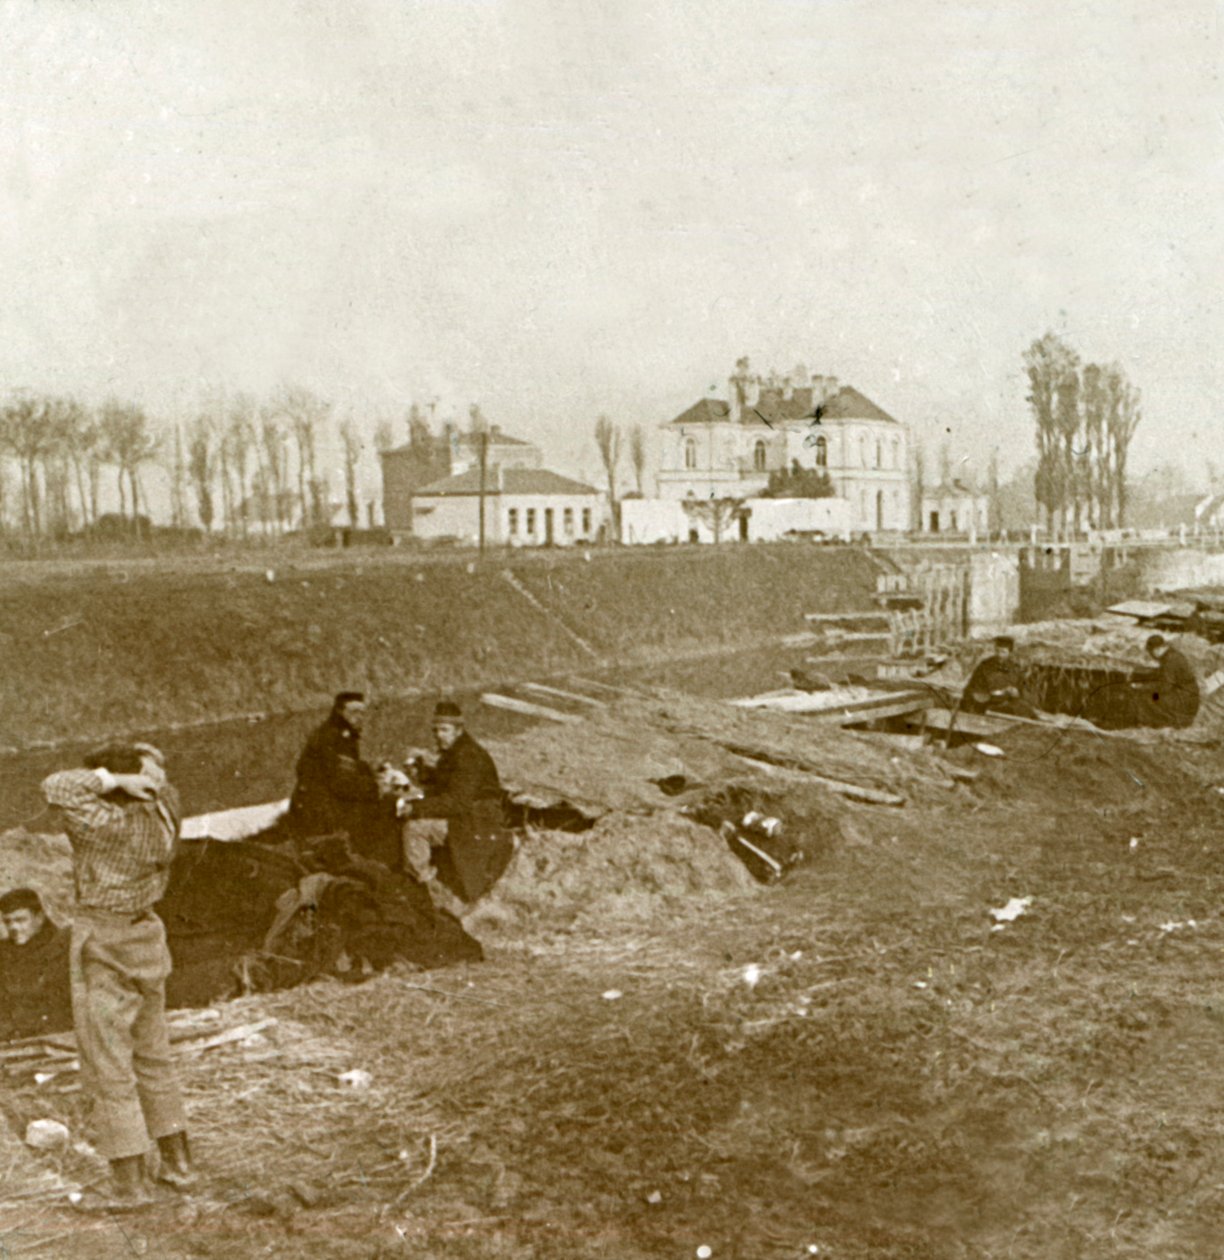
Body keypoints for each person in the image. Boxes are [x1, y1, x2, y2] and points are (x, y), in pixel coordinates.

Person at [40, 742, 193, 1206]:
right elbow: (158, 778)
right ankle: (179, 1163)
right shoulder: (166, 807)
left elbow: (55, 786)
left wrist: (113, 780)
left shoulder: (105, 823)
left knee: (108, 1062)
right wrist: (143, 771)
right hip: (146, 931)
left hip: (103, 938)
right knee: (153, 1053)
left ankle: (130, 1183)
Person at [405, 701, 514, 904]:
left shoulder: (468, 756)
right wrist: (423, 774)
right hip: (471, 814)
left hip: (477, 821)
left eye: (445, 730)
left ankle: (428, 888)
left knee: (414, 828)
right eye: (436, 730)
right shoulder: (457, 750)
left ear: (458, 730)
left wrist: (414, 807)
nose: (439, 735)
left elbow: (456, 803)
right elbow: (448, 782)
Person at [287, 691, 401, 867]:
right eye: (354, 712)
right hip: (320, 810)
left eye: (362, 712)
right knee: (387, 805)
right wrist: (377, 788)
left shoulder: (335, 732)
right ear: (340, 711)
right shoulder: (333, 737)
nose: (359, 717)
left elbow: (343, 768)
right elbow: (342, 783)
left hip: (315, 802)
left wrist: (368, 768)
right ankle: (378, 860)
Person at [0, 888, 72, 1041]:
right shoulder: (4, 952)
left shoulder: (62, 947)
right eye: (7, 921)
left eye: (20, 920)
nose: (13, 927)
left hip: (55, 1037)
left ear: (39, 918)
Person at [1131, 634, 1200, 729]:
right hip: (1187, 695)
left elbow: (1165, 686)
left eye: (1151, 652)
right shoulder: (1172, 654)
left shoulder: (1170, 660)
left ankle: (1168, 721)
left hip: (1183, 699)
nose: (1152, 656)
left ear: (1157, 649)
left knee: (1149, 697)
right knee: (1151, 695)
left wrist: (1143, 687)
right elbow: (1164, 676)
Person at [961, 635, 1037, 718]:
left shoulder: (1015, 669)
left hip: (1009, 705)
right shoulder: (985, 666)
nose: (999, 655)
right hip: (986, 705)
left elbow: (1024, 689)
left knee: (1023, 709)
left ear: (1010, 653)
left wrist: (1017, 692)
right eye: (997, 651)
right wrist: (993, 694)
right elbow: (973, 688)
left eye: (1003, 652)